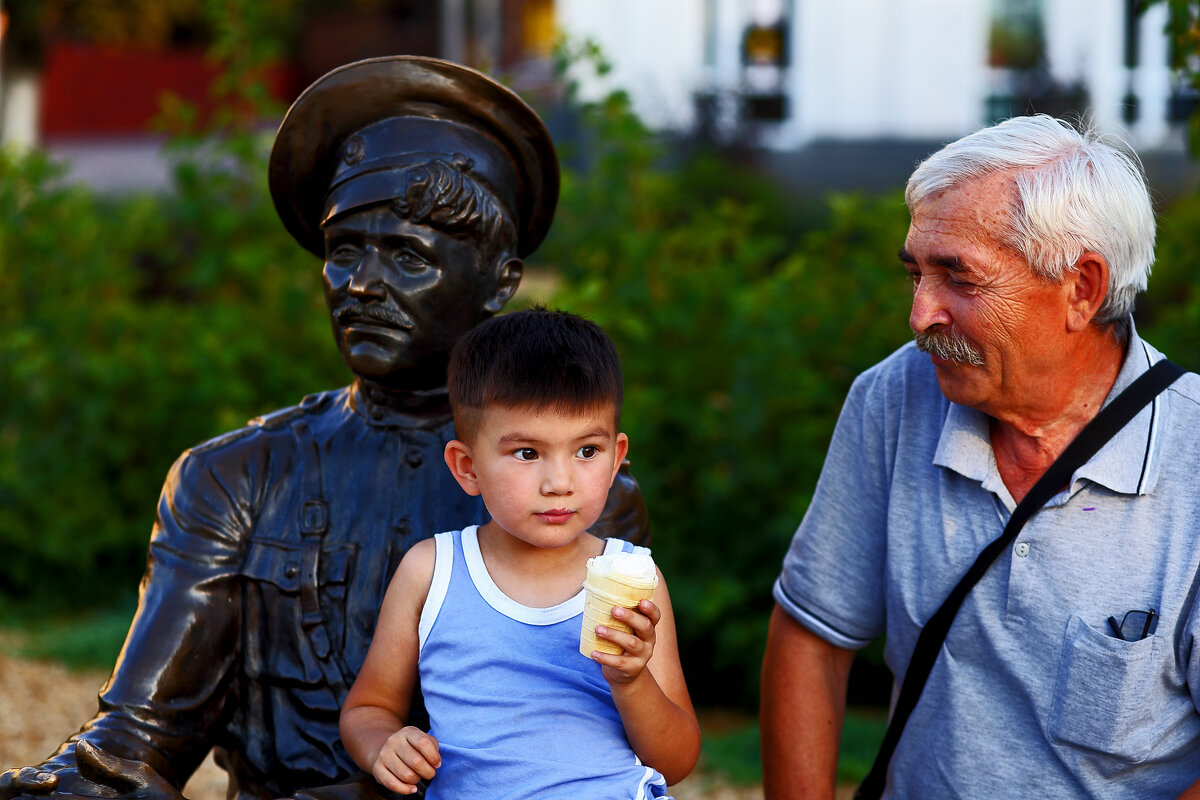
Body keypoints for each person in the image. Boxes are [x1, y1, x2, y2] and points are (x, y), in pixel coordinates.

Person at [0, 56, 647, 800]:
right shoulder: (234, 477)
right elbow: (138, 737)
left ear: (499, 281)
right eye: (345, 252)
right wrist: (75, 784)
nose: (361, 283)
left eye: (406, 256)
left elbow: (557, 751)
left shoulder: (574, 497)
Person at [760, 113, 1200, 799]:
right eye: (916, 274)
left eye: (959, 281)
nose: (919, 315)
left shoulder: (1193, 457)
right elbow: (811, 636)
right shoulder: (892, 398)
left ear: (1081, 288)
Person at [339, 308, 700, 798]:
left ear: (617, 458)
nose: (559, 483)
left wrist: (631, 682)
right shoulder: (433, 572)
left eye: (586, 451)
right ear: (467, 467)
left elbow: (676, 760)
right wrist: (384, 743)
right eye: (527, 453)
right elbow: (368, 709)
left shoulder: (638, 580)